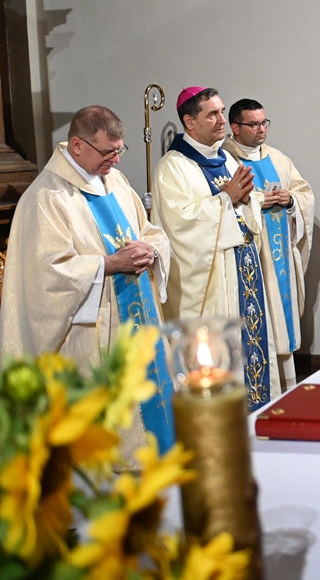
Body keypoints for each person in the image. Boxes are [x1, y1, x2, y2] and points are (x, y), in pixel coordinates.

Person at [0, 106, 175, 453]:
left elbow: (150, 231)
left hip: (139, 320)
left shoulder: (115, 182)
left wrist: (151, 250)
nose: (117, 160)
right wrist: (109, 264)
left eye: (119, 150)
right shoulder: (46, 197)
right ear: (77, 145)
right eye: (108, 152)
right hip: (92, 330)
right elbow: (46, 274)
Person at [152, 87, 280, 410]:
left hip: (242, 272)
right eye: (212, 114)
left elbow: (245, 204)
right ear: (189, 122)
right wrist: (227, 198)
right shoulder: (173, 167)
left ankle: (256, 414)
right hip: (211, 282)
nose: (222, 119)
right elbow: (181, 226)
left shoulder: (225, 158)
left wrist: (249, 199)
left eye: (222, 111)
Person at [223, 99, 315, 390]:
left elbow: (305, 194)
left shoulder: (278, 158)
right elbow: (222, 205)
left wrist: (291, 201)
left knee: (281, 321)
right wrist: (257, 202)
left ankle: (285, 387)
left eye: (264, 122)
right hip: (252, 258)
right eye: (253, 124)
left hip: (279, 259)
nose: (262, 129)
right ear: (235, 127)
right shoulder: (225, 160)